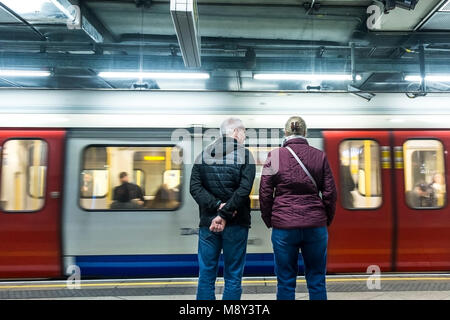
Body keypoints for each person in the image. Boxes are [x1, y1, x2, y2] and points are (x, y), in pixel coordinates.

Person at [259, 116, 337, 300]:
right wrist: (325, 219)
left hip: (284, 227)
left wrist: (270, 219)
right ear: (305, 132)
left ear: (285, 133)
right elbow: (330, 193)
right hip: (315, 226)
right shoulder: (320, 156)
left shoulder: (275, 156)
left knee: (285, 281)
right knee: (317, 280)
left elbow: (264, 192)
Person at [190, 117, 256, 300]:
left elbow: (194, 188)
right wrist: (225, 213)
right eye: (243, 132)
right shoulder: (245, 155)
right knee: (233, 276)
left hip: (208, 225)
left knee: (206, 276)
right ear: (235, 132)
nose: (244, 136)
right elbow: (244, 190)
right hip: (236, 224)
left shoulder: (202, 155)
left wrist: (216, 208)